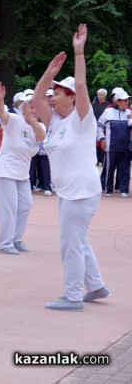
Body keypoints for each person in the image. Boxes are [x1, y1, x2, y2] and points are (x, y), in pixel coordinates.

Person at [32, 24, 109, 312]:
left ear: (71, 97)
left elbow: (80, 85)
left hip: (82, 192)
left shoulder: (82, 120)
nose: (53, 95)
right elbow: (37, 98)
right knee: (78, 240)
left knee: (70, 244)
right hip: (67, 192)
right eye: (54, 91)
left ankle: (73, 296)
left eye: (59, 91)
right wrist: (49, 75)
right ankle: (97, 285)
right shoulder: (54, 122)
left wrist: (79, 52)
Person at [0, 82, 45, 255]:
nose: (33, 109)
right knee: (9, 206)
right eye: (29, 106)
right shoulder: (14, 121)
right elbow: (2, 114)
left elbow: (41, 137)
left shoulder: (40, 127)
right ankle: (5, 243)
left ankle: (16, 238)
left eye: (36, 107)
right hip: (6, 169)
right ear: (23, 108)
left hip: (23, 173)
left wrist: (32, 120)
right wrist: (0, 100)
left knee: (26, 205)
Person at [97, 90, 131, 197]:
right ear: (117, 101)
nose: (127, 102)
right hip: (111, 146)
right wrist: (101, 139)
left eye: (127, 100)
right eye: (124, 100)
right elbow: (99, 126)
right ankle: (108, 189)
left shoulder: (129, 113)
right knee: (109, 168)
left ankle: (123, 189)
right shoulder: (108, 112)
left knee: (124, 168)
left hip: (126, 146)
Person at [92, 89, 109, 166]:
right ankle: (95, 160)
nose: (99, 96)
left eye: (101, 94)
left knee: (103, 143)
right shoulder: (93, 105)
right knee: (94, 144)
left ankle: (103, 160)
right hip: (93, 127)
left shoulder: (108, 105)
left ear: (105, 95)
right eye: (98, 94)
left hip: (104, 128)